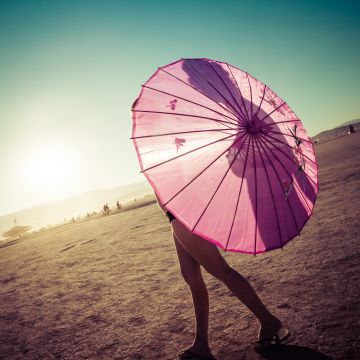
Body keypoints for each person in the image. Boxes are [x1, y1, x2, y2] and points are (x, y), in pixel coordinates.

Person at [155, 193, 289, 359]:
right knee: (191, 277)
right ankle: (201, 344)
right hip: (174, 217)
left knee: (222, 271)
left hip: (184, 215)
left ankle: (269, 322)